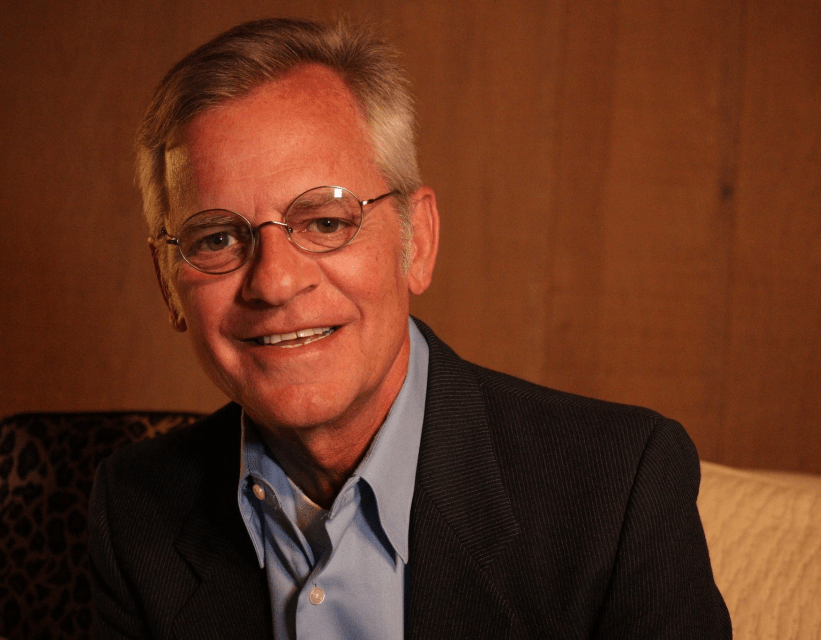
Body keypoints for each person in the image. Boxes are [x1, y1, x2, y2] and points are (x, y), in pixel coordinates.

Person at [88, 17, 731, 640]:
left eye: (325, 222)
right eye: (219, 237)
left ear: (416, 241)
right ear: (169, 282)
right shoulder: (136, 509)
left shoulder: (615, 490)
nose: (275, 283)